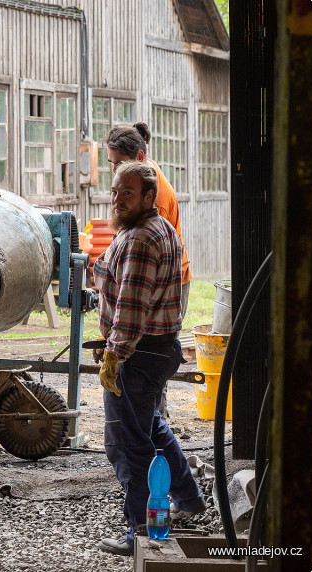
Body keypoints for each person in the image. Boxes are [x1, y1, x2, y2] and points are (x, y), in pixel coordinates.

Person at [93, 161, 206, 556]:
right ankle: (189, 499)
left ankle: (140, 530)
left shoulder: (141, 239)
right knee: (151, 427)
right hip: (158, 351)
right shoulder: (158, 228)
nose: (117, 198)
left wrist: (113, 357)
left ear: (148, 197)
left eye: (127, 192)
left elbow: (131, 311)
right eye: (115, 190)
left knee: (129, 442)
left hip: (137, 354)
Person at [105, 122, 191, 419]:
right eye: (111, 164)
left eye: (120, 164)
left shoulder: (152, 207)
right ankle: (153, 431)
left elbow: (134, 300)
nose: (114, 171)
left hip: (163, 283)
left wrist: (115, 350)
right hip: (152, 281)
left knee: (146, 372)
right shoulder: (141, 177)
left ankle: (154, 425)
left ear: (139, 158)